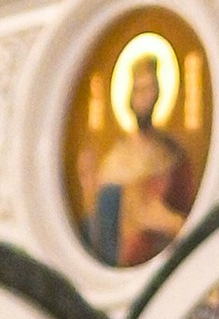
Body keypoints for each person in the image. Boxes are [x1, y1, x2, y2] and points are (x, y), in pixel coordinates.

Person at [76, 43, 196, 269]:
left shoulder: (174, 155)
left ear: (159, 92)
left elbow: (189, 217)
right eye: (139, 89)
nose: (144, 98)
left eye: (150, 88)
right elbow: (97, 228)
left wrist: (168, 221)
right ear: (129, 95)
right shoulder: (114, 157)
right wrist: (89, 190)